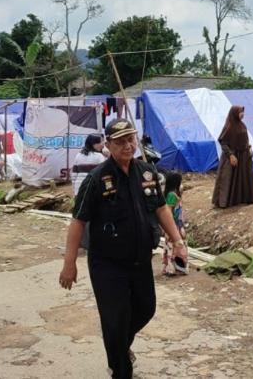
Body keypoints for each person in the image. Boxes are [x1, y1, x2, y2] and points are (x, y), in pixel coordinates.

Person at [59, 119, 186, 379]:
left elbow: (161, 208)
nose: (128, 146)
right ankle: (120, 368)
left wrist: (178, 241)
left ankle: (119, 347)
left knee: (145, 308)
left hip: (140, 259)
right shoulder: (97, 179)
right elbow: (78, 221)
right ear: (108, 145)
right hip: (107, 264)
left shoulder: (146, 173)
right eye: (120, 142)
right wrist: (69, 263)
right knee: (115, 319)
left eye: (131, 140)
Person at [212, 105, 253, 208]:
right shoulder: (229, 126)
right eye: (240, 112)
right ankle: (226, 202)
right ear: (235, 113)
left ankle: (242, 199)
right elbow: (223, 142)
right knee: (228, 179)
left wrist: (248, 147)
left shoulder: (242, 125)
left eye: (243, 112)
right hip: (233, 156)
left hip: (244, 155)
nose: (242, 114)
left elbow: (243, 138)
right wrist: (231, 155)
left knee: (243, 178)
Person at [161, 172, 186, 276]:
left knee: (176, 245)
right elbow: (169, 211)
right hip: (174, 224)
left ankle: (177, 267)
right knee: (174, 245)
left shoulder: (174, 193)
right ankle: (172, 268)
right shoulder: (171, 195)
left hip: (178, 223)